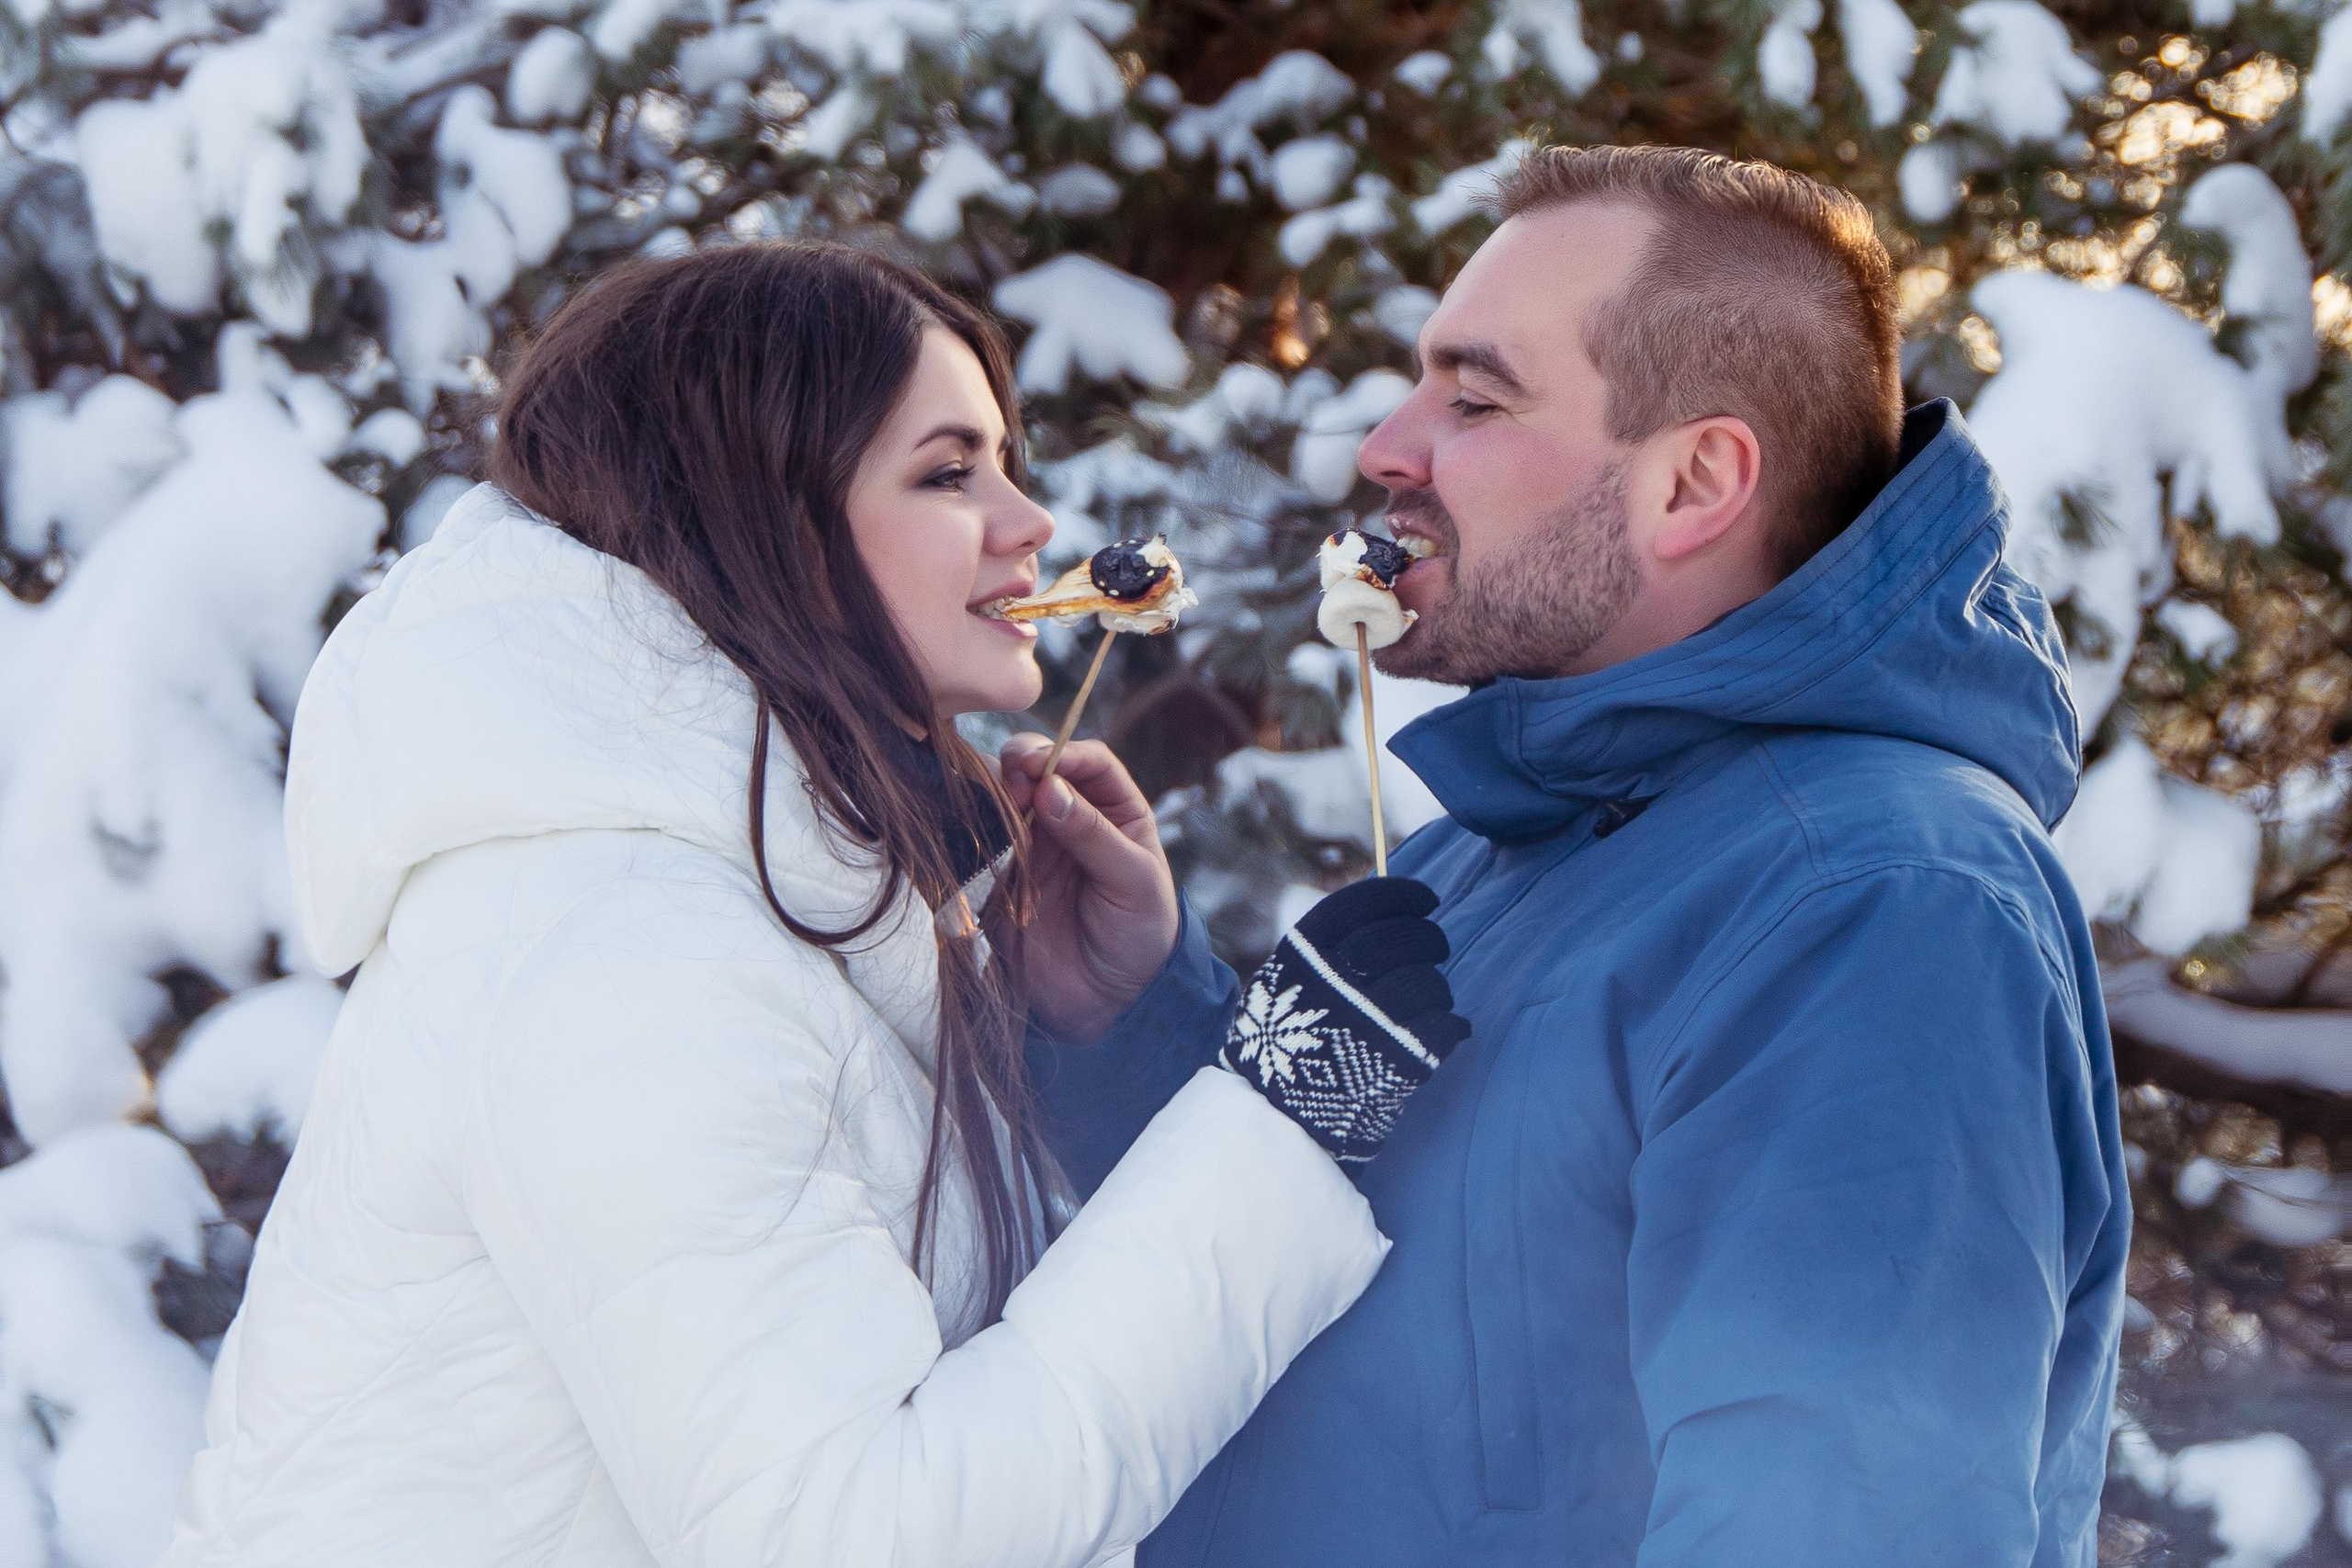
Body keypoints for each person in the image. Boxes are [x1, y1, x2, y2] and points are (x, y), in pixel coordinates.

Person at [160, 243, 1471, 1568]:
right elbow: (854, 1535)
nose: (1030, 526)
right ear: (759, 523)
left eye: (1007, 465)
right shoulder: (631, 955)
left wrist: (1091, 1016)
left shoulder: (737, 902)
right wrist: (1275, 1124)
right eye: (950, 473)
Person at [1074, 145, 2129, 1565]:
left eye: (1477, 396)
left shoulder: (1878, 902)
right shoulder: (1501, 852)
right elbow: (1364, 1340)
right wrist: (1126, 1008)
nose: (1389, 446)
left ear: (1696, 480)